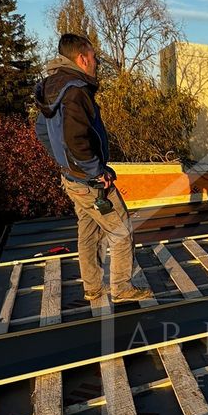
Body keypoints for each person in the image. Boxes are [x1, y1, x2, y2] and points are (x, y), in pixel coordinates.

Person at [35, 33, 152, 303]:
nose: (96, 62)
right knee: (121, 230)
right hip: (89, 181)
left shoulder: (52, 87)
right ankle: (121, 288)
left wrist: (64, 163)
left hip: (71, 178)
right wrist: (95, 171)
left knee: (89, 230)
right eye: (94, 57)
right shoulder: (76, 91)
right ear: (82, 58)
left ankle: (92, 287)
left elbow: (41, 130)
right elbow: (77, 139)